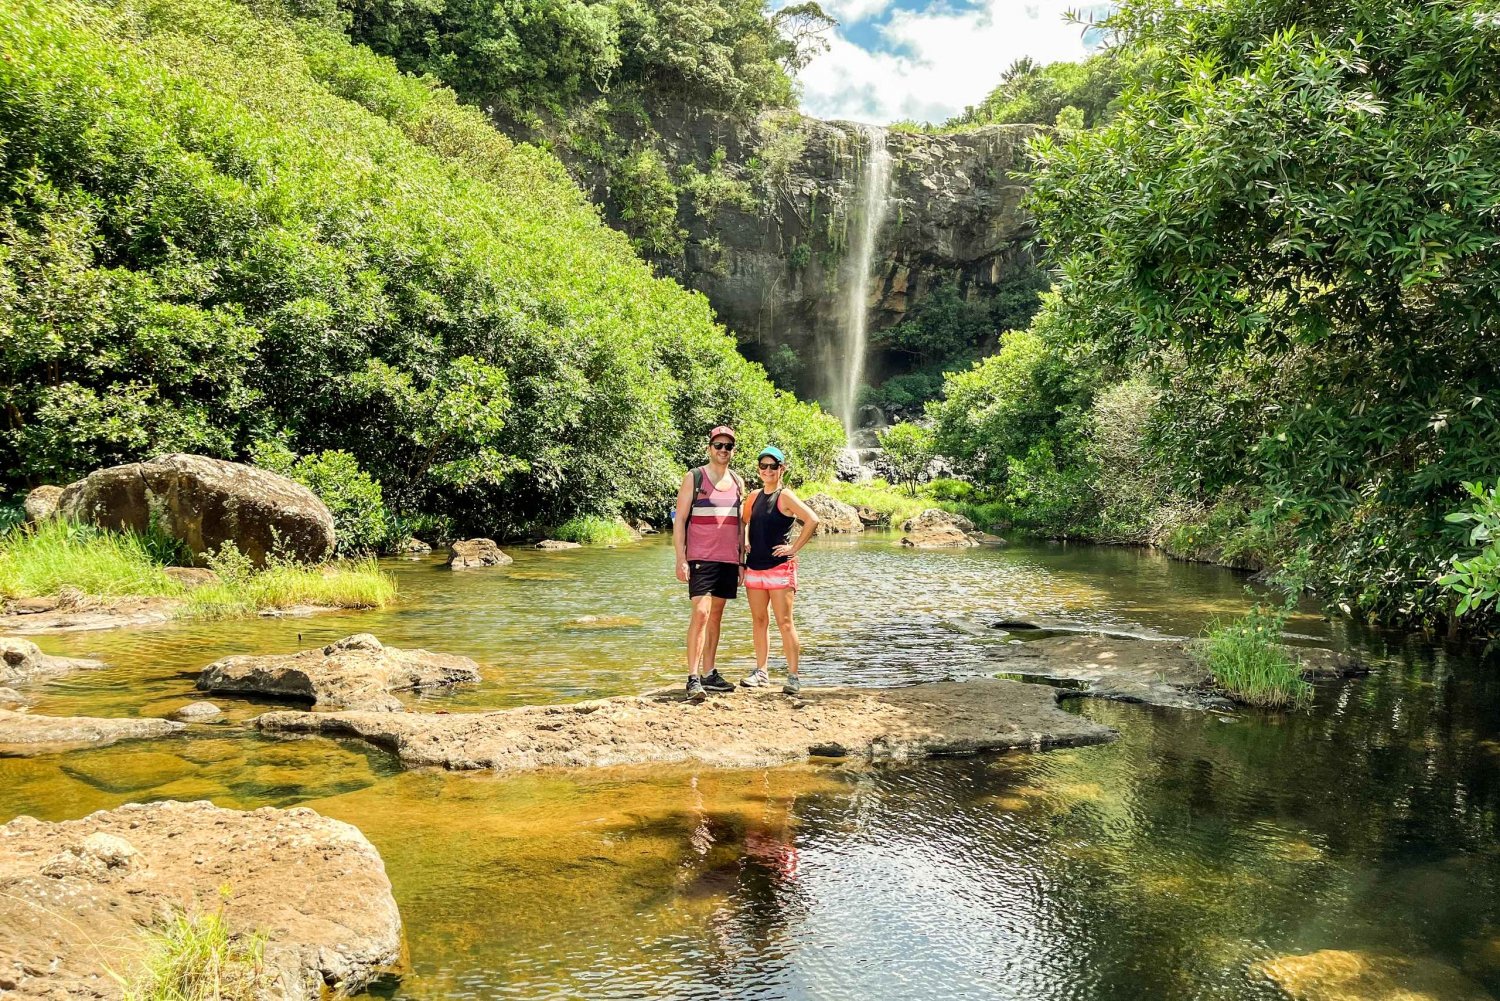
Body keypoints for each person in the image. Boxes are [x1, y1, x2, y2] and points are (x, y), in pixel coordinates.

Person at [738, 446, 819, 694]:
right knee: (759, 620)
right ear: (758, 469)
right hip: (755, 567)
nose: (768, 470)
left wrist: (793, 548)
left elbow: (812, 519)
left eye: (773, 466)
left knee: (785, 622)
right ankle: (761, 672)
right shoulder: (753, 496)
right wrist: (744, 546)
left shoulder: (786, 496)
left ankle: (793, 676)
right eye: (764, 466)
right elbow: (742, 521)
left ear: (781, 469)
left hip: (780, 568)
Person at [673, 426, 746, 701]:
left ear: (733, 451)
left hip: (728, 558)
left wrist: (741, 561)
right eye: (719, 445)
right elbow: (679, 520)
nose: (723, 450)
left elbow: (741, 524)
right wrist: (681, 558)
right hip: (701, 557)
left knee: (716, 615)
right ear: (709, 448)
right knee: (701, 614)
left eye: (728, 446)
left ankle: (709, 673)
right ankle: (692, 678)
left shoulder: (738, 481)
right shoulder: (695, 477)